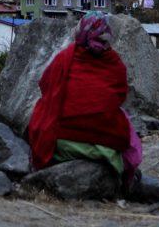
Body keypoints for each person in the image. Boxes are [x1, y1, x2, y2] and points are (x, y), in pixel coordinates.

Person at [27, 12, 143, 189]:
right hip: (106, 149)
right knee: (123, 120)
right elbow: (119, 97)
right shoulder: (114, 62)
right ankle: (126, 179)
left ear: (80, 32)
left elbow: (45, 86)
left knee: (43, 108)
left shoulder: (64, 57)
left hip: (62, 144)